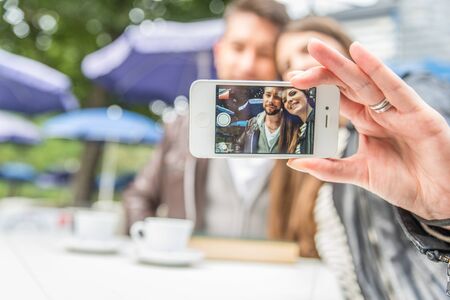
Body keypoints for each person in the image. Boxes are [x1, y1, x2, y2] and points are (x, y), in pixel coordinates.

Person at [124, 0, 320, 257]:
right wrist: (152, 244)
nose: (248, 64)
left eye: (263, 53)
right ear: (219, 51)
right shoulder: (181, 128)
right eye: (238, 47)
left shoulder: (301, 129)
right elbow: (137, 197)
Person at [278, 16, 450, 299]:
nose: (294, 66)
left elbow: (435, 125)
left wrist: (444, 212)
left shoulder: (412, 96)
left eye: (306, 51)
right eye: (284, 65)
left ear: (346, 55)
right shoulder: (320, 157)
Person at [237, 86, 283, 153]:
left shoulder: (292, 127)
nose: (270, 101)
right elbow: (239, 145)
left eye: (276, 97)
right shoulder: (252, 122)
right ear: (263, 97)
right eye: (268, 95)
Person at [279, 88, 314, 154]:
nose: (289, 100)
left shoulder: (316, 122)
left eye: (292, 93)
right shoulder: (296, 133)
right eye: (284, 100)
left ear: (305, 93)